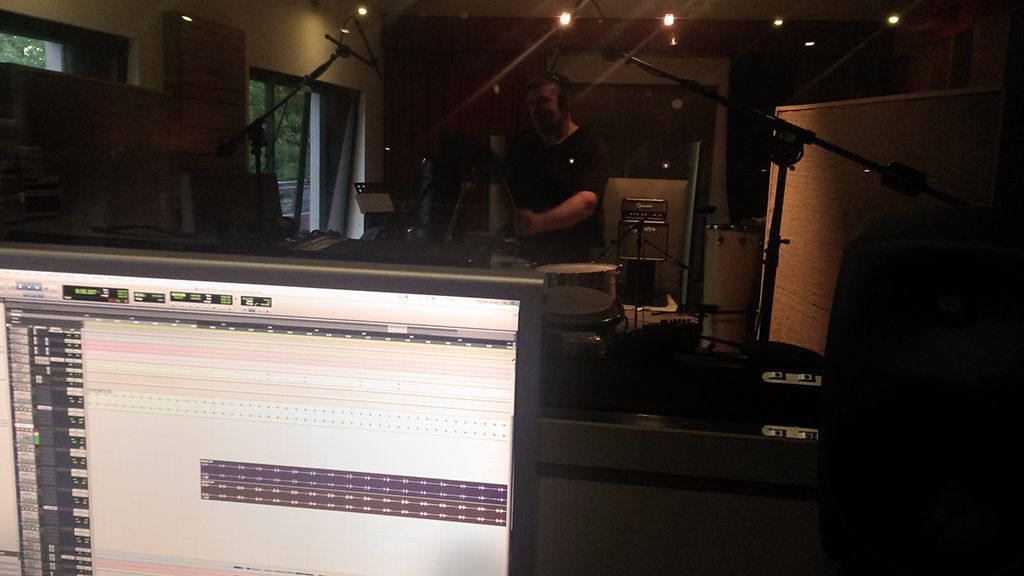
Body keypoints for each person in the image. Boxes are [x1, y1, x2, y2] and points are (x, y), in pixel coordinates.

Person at [506, 72, 610, 264]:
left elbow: (586, 202)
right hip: (525, 255)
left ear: (566, 103)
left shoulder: (590, 146)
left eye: (543, 101)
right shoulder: (522, 143)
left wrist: (539, 222)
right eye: (531, 104)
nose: (535, 109)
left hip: (574, 258)